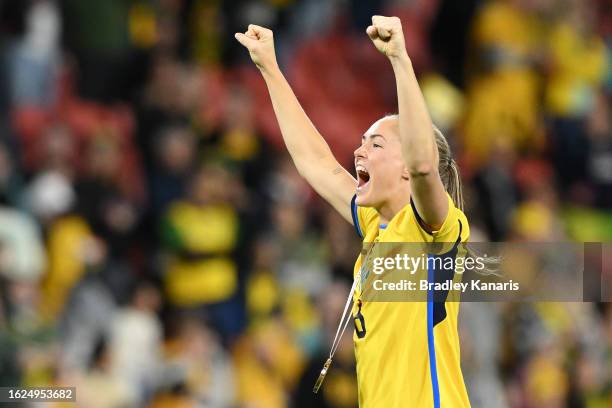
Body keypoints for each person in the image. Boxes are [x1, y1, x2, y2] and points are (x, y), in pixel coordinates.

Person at [236, 15, 470, 408]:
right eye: (361, 142)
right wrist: (271, 69)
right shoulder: (377, 229)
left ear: (404, 167)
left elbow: (424, 165)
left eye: (375, 145)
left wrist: (400, 59)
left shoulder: (434, 232)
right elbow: (316, 163)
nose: (359, 151)